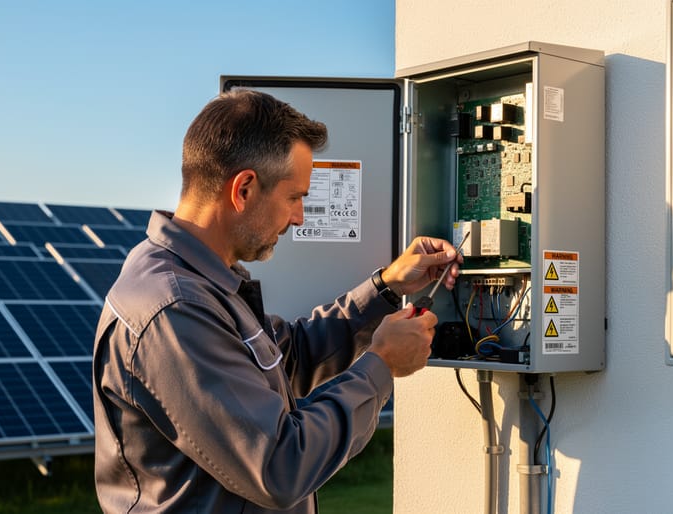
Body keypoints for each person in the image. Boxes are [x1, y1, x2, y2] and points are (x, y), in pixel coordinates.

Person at [93, 89, 462, 513]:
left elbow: (289, 359)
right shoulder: (174, 309)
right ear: (245, 189)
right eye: (294, 197)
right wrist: (381, 365)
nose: (299, 216)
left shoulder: (204, 285)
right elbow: (281, 465)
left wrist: (386, 288)